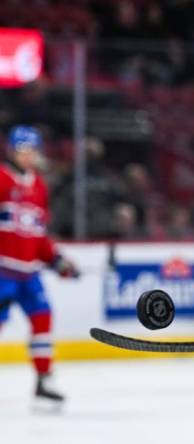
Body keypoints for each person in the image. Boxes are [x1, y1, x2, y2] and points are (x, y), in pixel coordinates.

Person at [0, 125, 80, 405]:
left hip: (28, 273)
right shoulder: (1, 178)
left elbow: (38, 235)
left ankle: (44, 381)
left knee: (43, 319)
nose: (28, 155)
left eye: (32, 150)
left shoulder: (39, 186)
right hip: (2, 272)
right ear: (11, 149)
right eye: (23, 150)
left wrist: (57, 261)